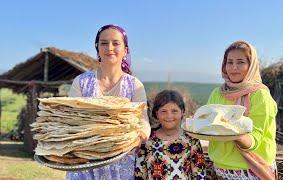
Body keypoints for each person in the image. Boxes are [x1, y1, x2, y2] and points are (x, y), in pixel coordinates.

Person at [66, 24, 151, 180]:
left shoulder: (135, 85)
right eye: (104, 43)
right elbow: (71, 120)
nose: (109, 47)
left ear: (125, 50)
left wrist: (140, 137)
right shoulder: (81, 82)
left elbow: (143, 121)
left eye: (116, 43)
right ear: (97, 48)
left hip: (121, 164)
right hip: (85, 164)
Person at [207, 40, 277, 179]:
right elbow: (207, 125)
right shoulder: (217, 93)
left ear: (251, 65)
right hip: (221, 170)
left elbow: (254, 139)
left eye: (240, 62)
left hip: (251, 171)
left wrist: (230, 130)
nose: (234, 68)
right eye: (229, 62)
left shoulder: (260, 95)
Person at [135, 90, 206, 179]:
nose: (169, 116)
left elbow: (199, 173)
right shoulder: (146, 140)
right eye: (164, 111)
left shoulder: (191, 140)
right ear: (156, 113)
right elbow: (139, 172)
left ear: (182, 112)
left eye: (174, 111)